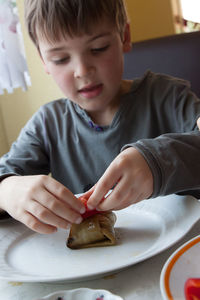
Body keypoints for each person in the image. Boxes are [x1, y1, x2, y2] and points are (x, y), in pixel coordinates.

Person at [0, 0, 200, 234]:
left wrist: (157, 163)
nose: (82, 70)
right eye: (61, 59)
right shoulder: (46, 125)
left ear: (124, 36)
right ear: (43, 61)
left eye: (98, 48)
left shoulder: (169, 98)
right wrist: (7, 191)